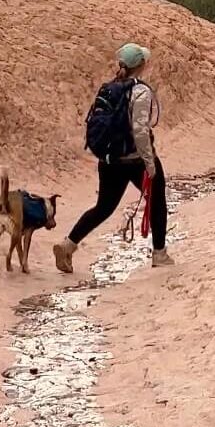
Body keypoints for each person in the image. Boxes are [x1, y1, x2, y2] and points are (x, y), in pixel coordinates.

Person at [54, 44, 173, 272]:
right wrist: (150, 164)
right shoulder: (141, 92)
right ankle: (159, 254)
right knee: (157, 201)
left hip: (109, 160)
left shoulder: (109, 88)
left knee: (104, 207)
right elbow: (139, 131)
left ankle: (68, 245)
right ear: (141, 65)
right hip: (135, 159)